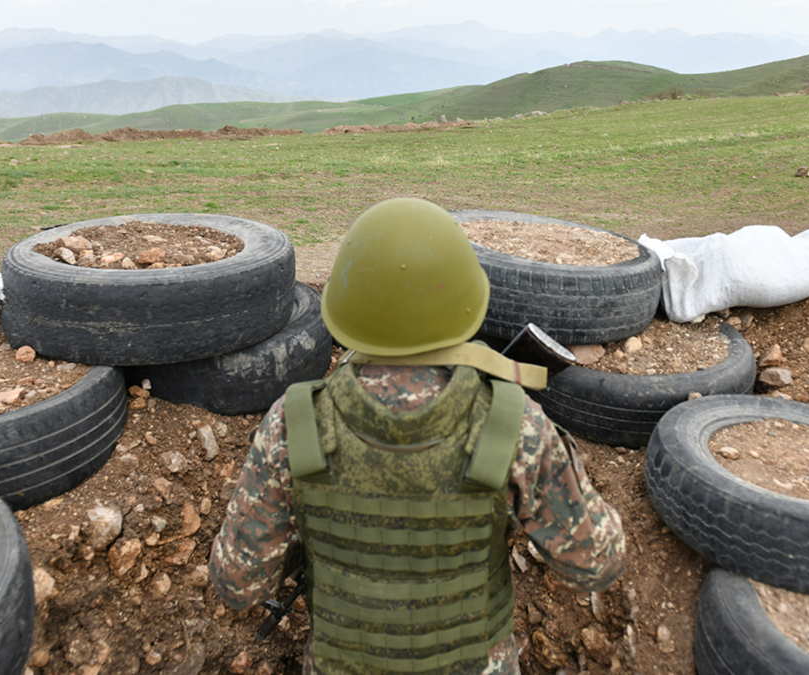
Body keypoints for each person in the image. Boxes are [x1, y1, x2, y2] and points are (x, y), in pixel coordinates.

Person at [210, 197, 625, 674]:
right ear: (467, 304)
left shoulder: (294, 424)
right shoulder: (514, 424)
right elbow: (597, 562)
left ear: (345, 309)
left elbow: (237, 584)